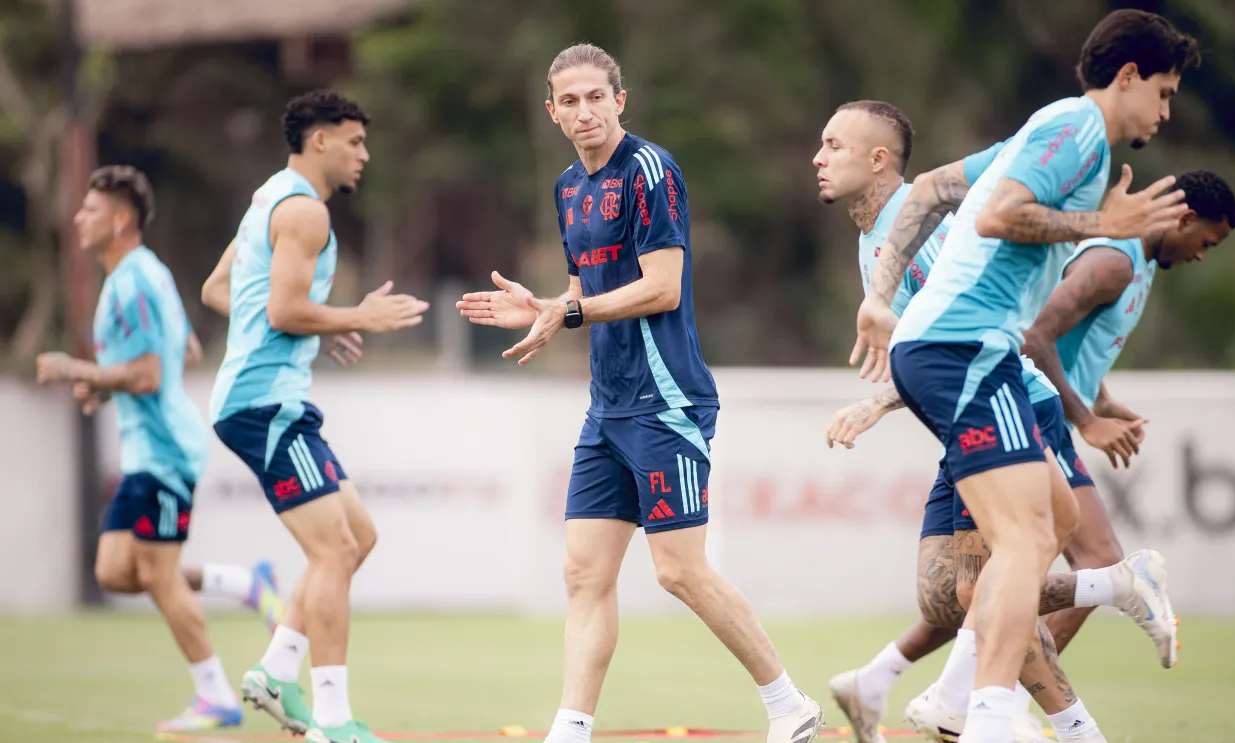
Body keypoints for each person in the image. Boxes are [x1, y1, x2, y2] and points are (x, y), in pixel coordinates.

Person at [455, 43, 824, 743]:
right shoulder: (567, 186)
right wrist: (543, 307)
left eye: (597, 96)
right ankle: (570, 728)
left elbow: (662, 287)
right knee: (581, 571)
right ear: (552, 111)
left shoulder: (651, 169)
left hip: (666, 401)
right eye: (570, 100)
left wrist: (568, 312)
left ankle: (788, 704)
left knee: (678, 572)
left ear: (619, 100)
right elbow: (581, 295)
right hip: (608, 404)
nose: (585, 110)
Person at [848, 9, 1200, 742]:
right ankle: (987, 714)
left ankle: (1110, 590)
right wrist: (1105, 226)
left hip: (957, 347)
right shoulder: (1073, 129)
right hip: (965, 346)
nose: (1165, 110)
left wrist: (880, 298)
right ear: (1126, 76)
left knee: (1057, 524)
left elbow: (930, 191)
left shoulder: (1049, 133)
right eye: (1162, 92)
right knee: (1021, 539)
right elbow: (998, 218)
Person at [201, 91, 429, 743]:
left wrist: (309, 326)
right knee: (334, 549)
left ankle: (276, 671)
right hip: (264, 402)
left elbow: (223, 290)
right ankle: (332, 719)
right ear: (321, 140)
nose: (364, 154)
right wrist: (353, 316)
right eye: (354, 141)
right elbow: (279, 311)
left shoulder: (269, 197)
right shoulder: (304, 212)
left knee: (358, 535)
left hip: (268, 397)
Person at [36, 165, 284, 732]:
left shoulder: (133, 280)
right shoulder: (138, 274)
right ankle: (248, 586)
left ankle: (216, 696)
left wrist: (79, 370)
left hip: (166, 450)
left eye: (90, 210)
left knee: (157, 574)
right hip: (148, 450)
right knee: (117, 570)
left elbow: (150, 374)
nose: (79, 217)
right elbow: (186, 349)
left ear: (121, 219)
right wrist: (104, 384)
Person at [1020, 168, 1235, 640]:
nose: (1201, 255)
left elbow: (1075, 341)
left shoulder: (1138, 261)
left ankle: (890, 681)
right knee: (1096, 561)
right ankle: (990, 700)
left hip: (1044, 419)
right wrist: (1085, 420)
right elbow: (1034, 337)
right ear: (1186, 217)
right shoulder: (1112, 261)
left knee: (977, 578)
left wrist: (1101, 400)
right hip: (1032, 419)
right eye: (1207, 242)